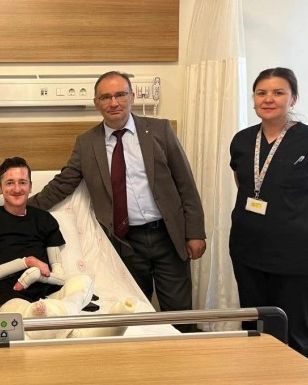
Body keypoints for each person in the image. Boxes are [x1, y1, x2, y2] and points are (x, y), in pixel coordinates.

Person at [29, 71, 206, 332]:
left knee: (180, 315)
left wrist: (195, 232)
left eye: (120, 95)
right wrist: (22, 208)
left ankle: (183, 355)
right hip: (124, 243)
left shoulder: (159, 130)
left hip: (168, 236)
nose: (114, 102)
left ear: (132, 97)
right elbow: (63, 183)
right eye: (106, 97)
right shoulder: (87, 143)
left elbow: (185, 183)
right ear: (96, 103)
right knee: (133, 314)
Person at [229, 67, 308, 357]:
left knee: (293, 334)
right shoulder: (242, 140)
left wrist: (305, 227)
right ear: (254, 99)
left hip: (297, 256)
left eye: (278, 92)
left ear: (293, 99)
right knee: (254, 329)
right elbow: (245, 185)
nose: (268, 99)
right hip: (248, 252)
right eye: (261, 93)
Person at [0, 157, 133, 340]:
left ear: (30, 186)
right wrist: (26, 262)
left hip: (45, 290)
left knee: (83, 282)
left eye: (22, 182)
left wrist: (34, 275)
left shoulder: (45, 220)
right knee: (21, 311)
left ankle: (54, 313)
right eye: (10, 183)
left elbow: (58, 275)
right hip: (5, 292)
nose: (17, 189)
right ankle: (81, 330)